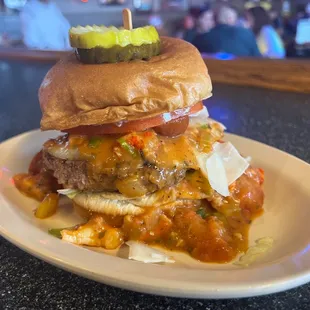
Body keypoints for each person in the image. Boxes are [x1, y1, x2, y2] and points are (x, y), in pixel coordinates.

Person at [193, 6, 261, 57]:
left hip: (213, 74)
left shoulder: (202, 38)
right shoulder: (246, 34)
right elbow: (258, 58)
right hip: (243, 73)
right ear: (230, 19)